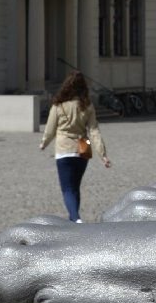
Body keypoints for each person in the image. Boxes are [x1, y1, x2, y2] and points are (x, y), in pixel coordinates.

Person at [39, 71, 111, 222]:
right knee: (75, 187)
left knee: (67, 188)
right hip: (83, 149)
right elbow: (94, 131)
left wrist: (44, 143)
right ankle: (74, 220)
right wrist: (102, 154)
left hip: (64, 150)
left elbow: (50, 129)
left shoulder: (58, 106)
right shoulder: (87, 106)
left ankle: (75, 217)